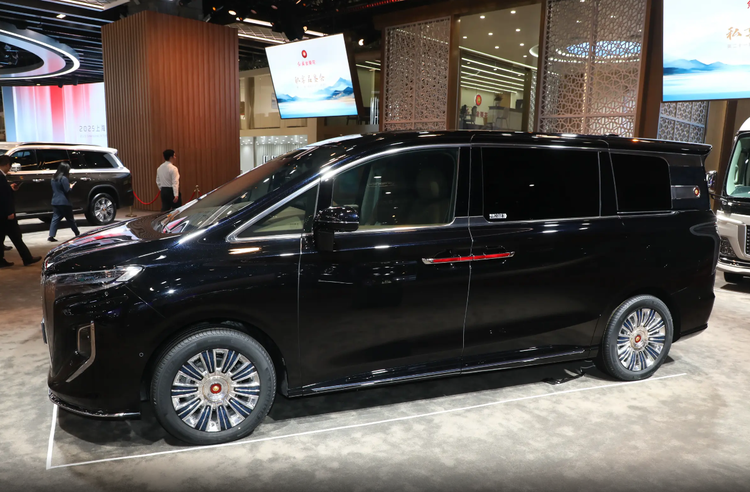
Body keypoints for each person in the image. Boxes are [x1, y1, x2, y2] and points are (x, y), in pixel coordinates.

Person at [0, 155, 41, 268]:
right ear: (7, 164)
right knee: (16, 236)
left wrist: (10, 189)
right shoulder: (1, 177)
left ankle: (2, 260)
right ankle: (27, 258)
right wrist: (9, 212)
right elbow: (3, 197)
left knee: (4, 236)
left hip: (2, 214)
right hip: (5, 214)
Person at [48, 162, 81, 242]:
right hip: (64, 202)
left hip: (55, 201)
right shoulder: (64, 178)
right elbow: (67, 190)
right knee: (70, 219)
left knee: (55, 218)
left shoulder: (53, 178)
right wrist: (71, 186)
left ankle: (51, 236)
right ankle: (77, 233)